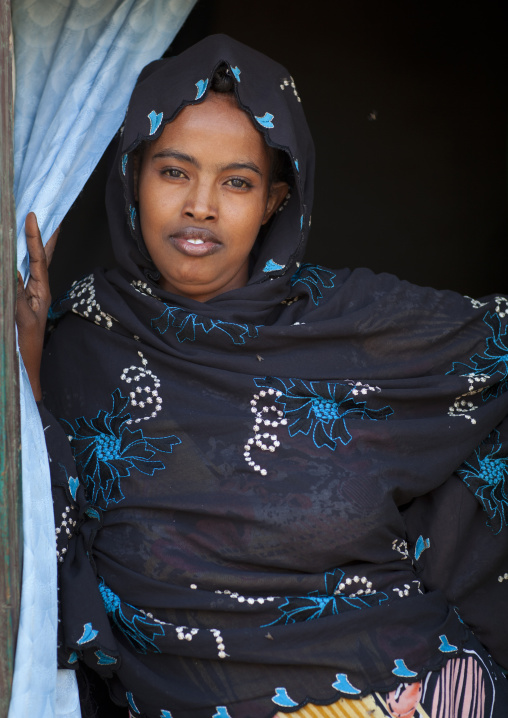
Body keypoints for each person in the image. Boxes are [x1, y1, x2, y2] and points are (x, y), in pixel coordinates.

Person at [16, 34, 508, 718]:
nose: (201, 206)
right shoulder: (78, 348)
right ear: (133, 176)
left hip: (408, 692)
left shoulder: (352, 324)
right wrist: (28, 364)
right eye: (174, 172)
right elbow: (43, 543)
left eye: (237, 182)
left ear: (277, 199)